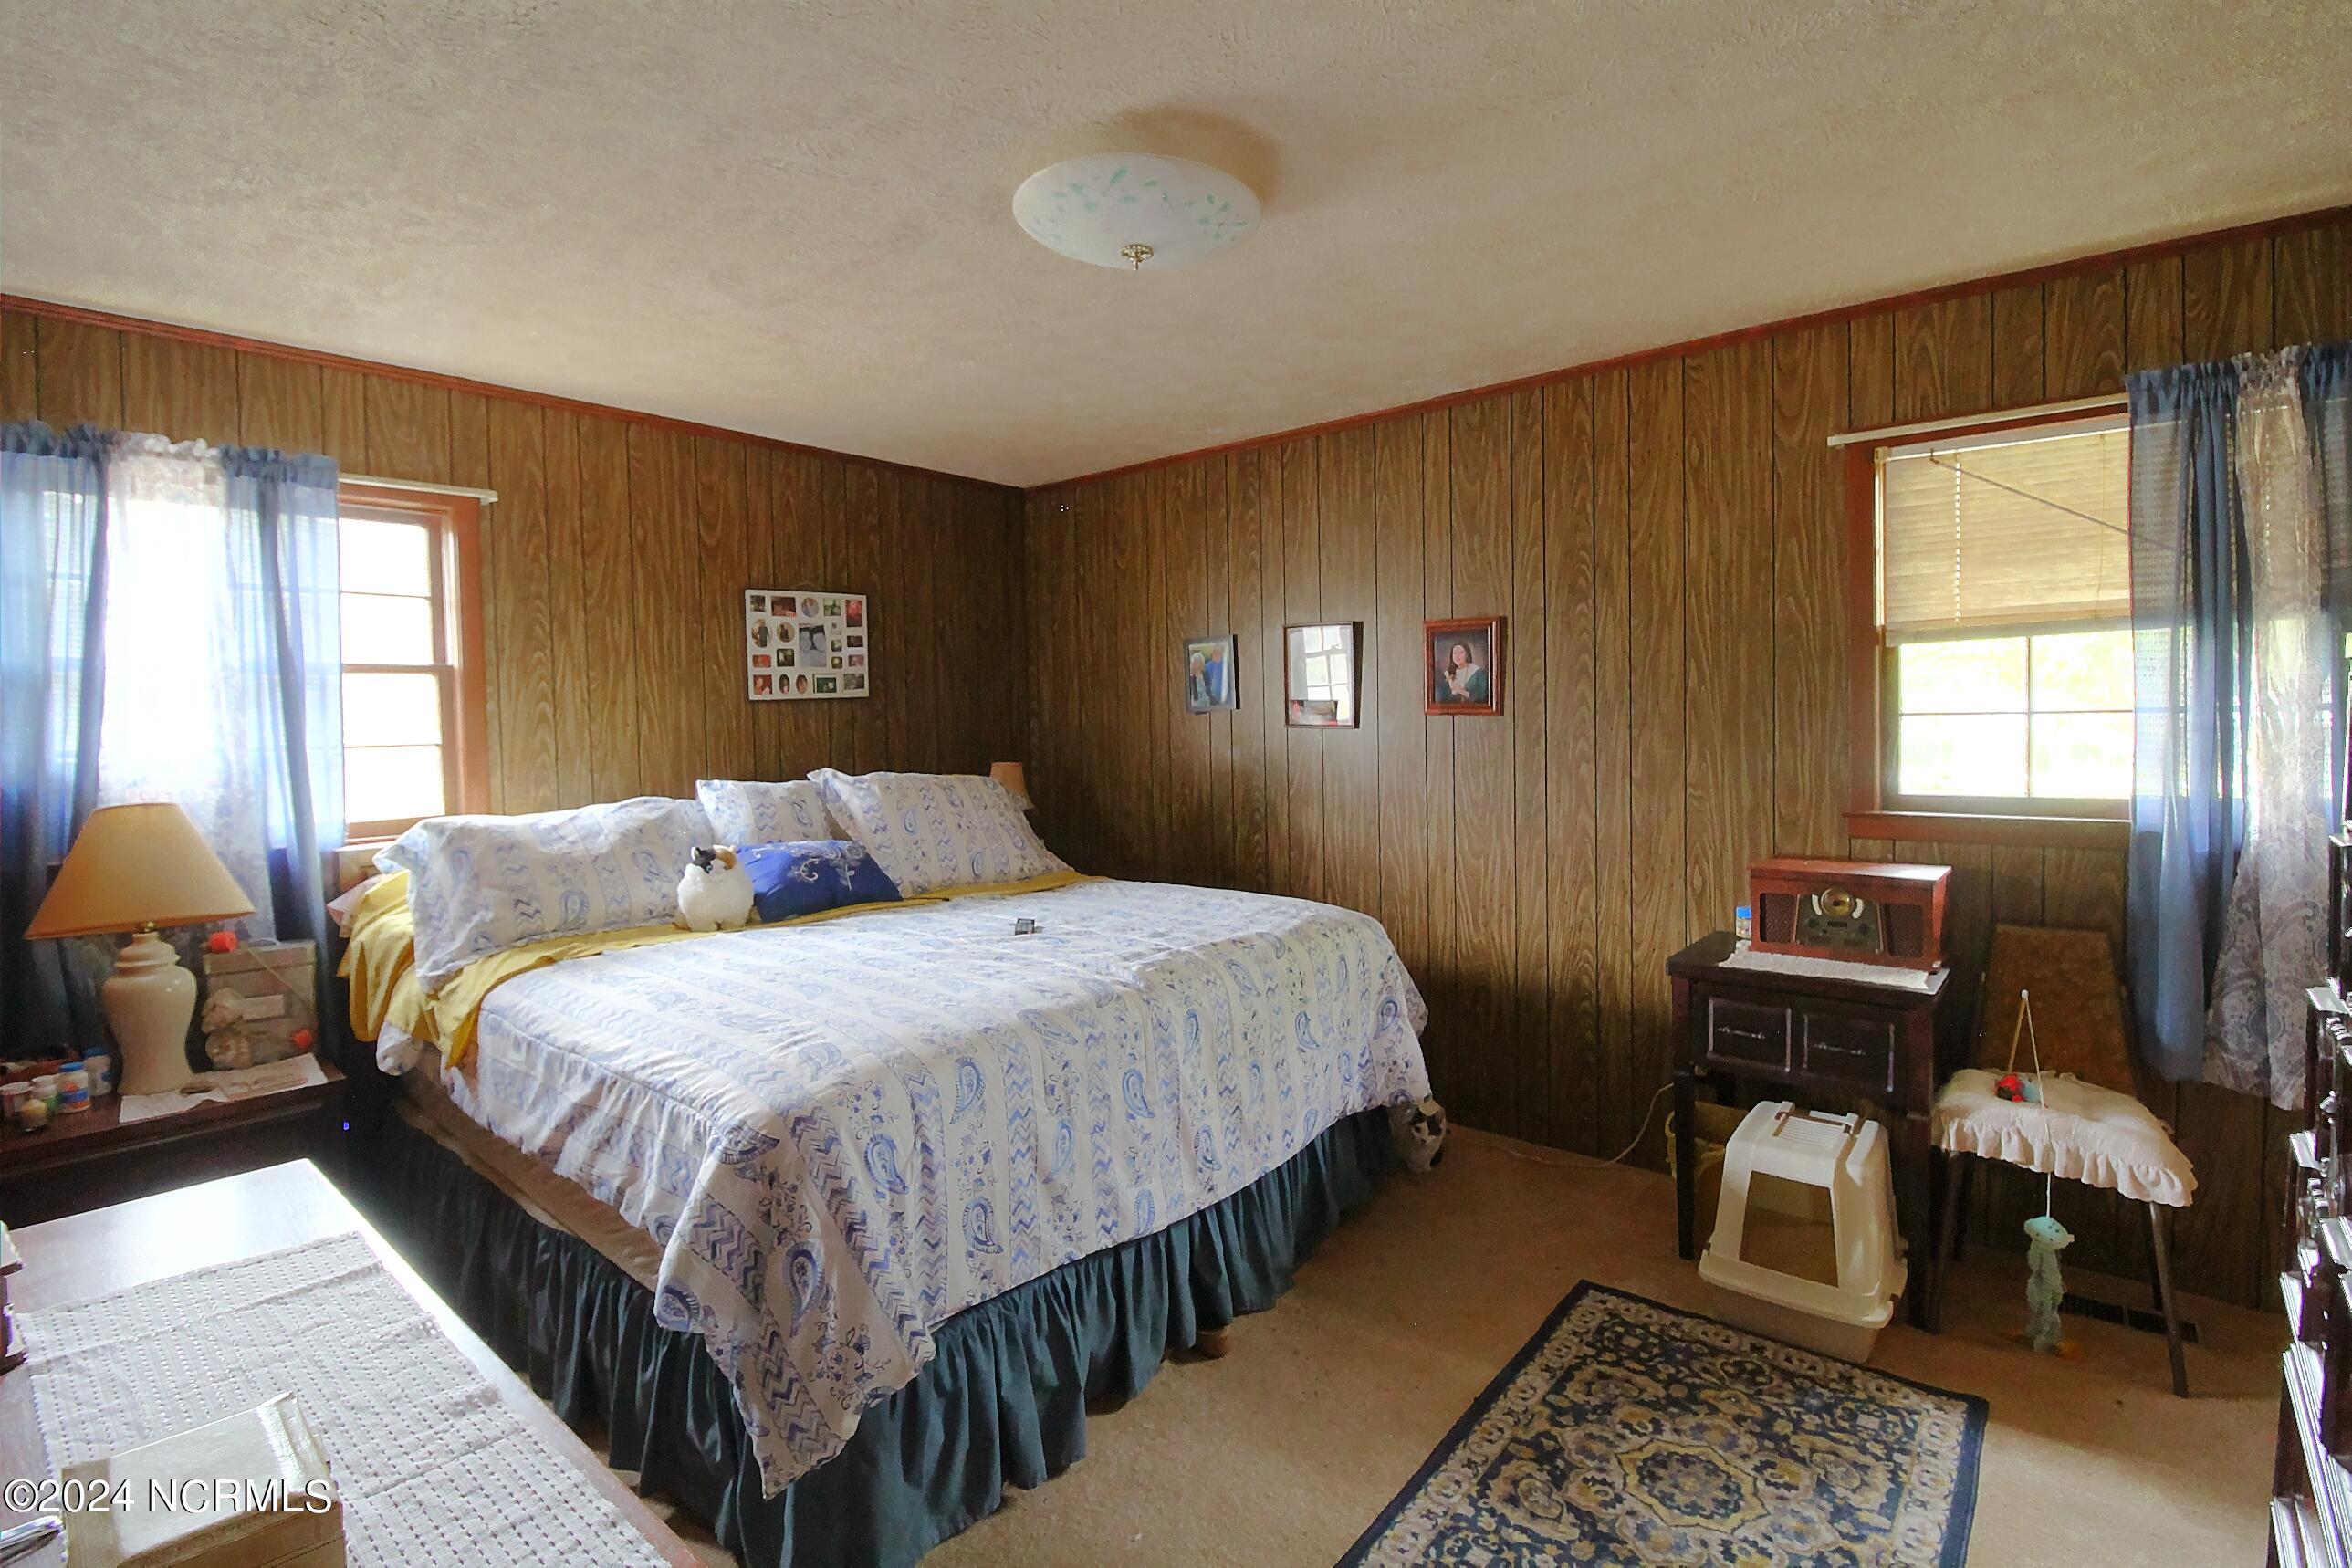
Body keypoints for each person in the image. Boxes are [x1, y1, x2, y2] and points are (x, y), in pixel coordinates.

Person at [1438, 640, 1489, 705]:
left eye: (1461, 653)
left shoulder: (1478, 673)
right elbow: (1442, 699)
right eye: (1455, 653)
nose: (1457, 656)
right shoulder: (1447, 674)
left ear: (1467, 654)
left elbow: (1482, 696)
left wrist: (1461, 691)